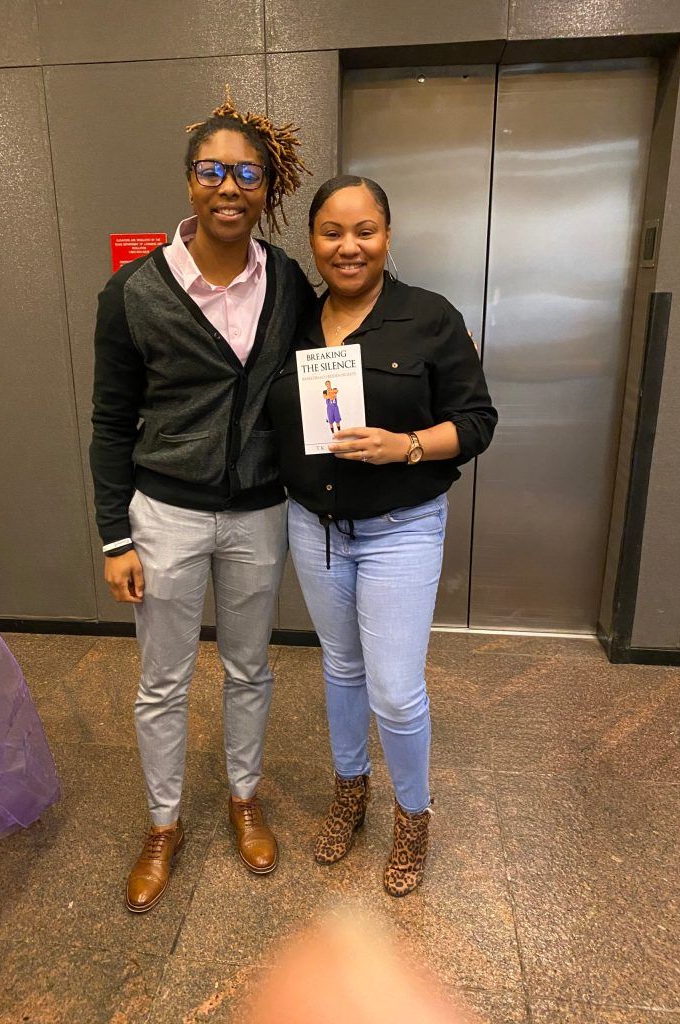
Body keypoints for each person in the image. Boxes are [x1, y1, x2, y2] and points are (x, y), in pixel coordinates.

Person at [89, 89, 314, 913]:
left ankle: (244, 798)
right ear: (189, 180)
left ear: (267, 188)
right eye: (212, 170)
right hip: (166, 514)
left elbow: (336, 351)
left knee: (251, 667)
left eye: (247, 174)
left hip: (259, 511)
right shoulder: (133, 291)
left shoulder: (287, 281)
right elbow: (110, 421)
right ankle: (163, 823)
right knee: (163, 680)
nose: (229, 187)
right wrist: (115, 537)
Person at [268, 175, 497, 896]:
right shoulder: (293, 321)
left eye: (364, 231)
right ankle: (350, 790)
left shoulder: (430, 317)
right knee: (341, 668)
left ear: (388, 236)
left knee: (395, 691)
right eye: (332, 232)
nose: (349, 246)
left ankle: (412, 815)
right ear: (312, 242)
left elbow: (478, 421)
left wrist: (407, 446)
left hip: (401, 528)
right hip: (315, 525)